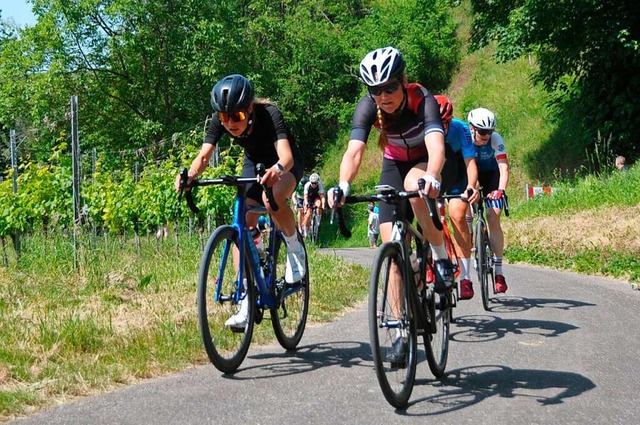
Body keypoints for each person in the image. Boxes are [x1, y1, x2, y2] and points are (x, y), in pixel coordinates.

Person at [328, 46, 455, 363]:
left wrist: (434, 176)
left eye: (389, 88)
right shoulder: (367, 107)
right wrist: (343, 185)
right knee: (394, 250)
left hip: (426, 161)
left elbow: (436, 146)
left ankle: (440, 259)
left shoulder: (420, 98)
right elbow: (354, 151)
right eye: (375, 90)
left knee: (416, 185)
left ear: (403, 82)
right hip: (393, 166)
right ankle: (400, 331)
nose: (383, 96)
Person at [175, 74, 306, 327]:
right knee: (242, 224)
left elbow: (287, 156)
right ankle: (246, 299)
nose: (230, 123)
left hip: (284, 164)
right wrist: (190, 175)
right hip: (254, 162)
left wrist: (276, 171)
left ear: (249, 109)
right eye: (225, 117)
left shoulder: (269, 114)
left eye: (237, 117)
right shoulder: (220, 119)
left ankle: (294, 248)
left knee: (273, 200)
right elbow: (203, 157)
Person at [434, 95, 480, 300]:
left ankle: (465, 277)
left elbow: (470, 162)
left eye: (446, 122)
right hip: (434, 175)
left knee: (458, 214)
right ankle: (431, 260)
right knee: (428, 217)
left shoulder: (461, 129)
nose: (443, 127)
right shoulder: (422, 128)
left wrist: (471, 186)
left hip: (458, 174)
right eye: (439, 123)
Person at [468, 107, 509, 293]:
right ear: (472, 128)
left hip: (491, 175)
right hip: (470, 174)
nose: (486, 135)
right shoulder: (466, 138)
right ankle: (470, 243)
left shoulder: (495, 139)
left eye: (489, 131)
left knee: (493, 217)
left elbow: (503, 167)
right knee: (465, 211)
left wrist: (500, 190)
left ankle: (499, 272)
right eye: (483, 131)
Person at [301, 172, 326, 237]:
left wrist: (323, 204)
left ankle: (318, 223)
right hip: (309, 198)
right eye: (312, 183)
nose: (314, 184)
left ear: (317, 182)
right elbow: (305, 196)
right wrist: (306, 204)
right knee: (308, 214)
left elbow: (322, 196)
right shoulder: (307, 185)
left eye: (315, 183)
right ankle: (306, 233)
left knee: (319, 204)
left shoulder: (320, 185)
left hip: (316, 197)